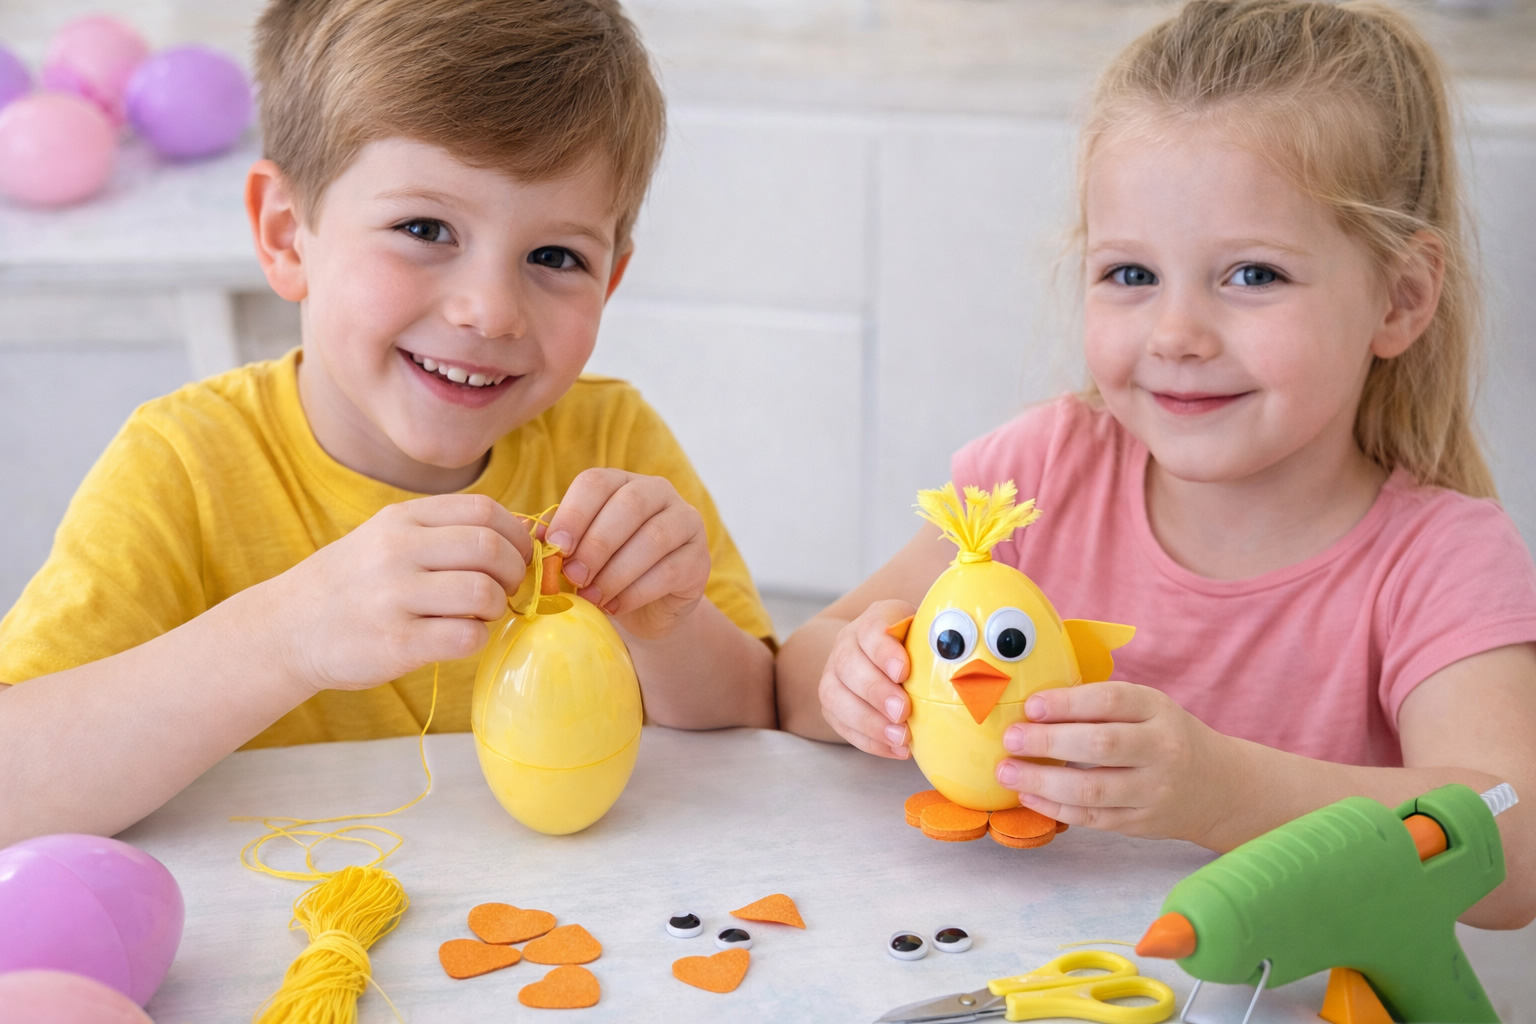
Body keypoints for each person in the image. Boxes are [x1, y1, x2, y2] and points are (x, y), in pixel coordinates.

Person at [777, 0, 1536, 927]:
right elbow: (792, 674)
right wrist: (862, 681)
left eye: (1253, 275)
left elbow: (1514, 850)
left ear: (1401, 298)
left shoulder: (1441, 560)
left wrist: (1223, 791)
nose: (1176, 335)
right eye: (1131, 275)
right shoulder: (1038, 478)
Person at [0, 0, 776, 846]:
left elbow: (754, 726)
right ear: (288, 235)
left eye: (555, 257)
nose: (490, 311)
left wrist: (669, 628)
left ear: (612, 280)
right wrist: (289, 635)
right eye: (425, 229)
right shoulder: (184, 465)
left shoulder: (615, 442)